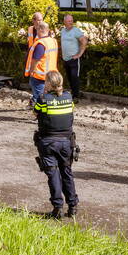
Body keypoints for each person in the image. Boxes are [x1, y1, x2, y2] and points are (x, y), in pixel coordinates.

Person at [33, 70, 78, 220]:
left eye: (46, 81)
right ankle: (73, 206)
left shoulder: (43, 99)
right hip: (66, 142)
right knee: (67, 173)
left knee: (53, 175)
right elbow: (71, 113)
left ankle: (57, 208)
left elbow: (35, 114)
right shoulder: (69, 97)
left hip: (48, 142)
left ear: (49, 83)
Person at [23, 21, 58, 104]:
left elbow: (36, 60)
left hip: (40, 76)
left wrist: (31, 71)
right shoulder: (53, 41)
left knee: (40, 98)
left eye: (37, 29)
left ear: (40, 30)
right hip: (52, 74)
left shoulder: (40, 43)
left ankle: (40, 113)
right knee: (48, 96)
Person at [60, 14, 88, 100]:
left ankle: (76, 96)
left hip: (74, 59)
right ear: (64, 22)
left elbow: (84, 41)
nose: (71, 22)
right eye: (69, 21)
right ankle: (73, 94)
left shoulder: (76, 30)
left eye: (72, 20)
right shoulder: (63, 31)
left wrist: (79, 54)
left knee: (74, 77)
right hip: (65, 59)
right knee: (69, 78)